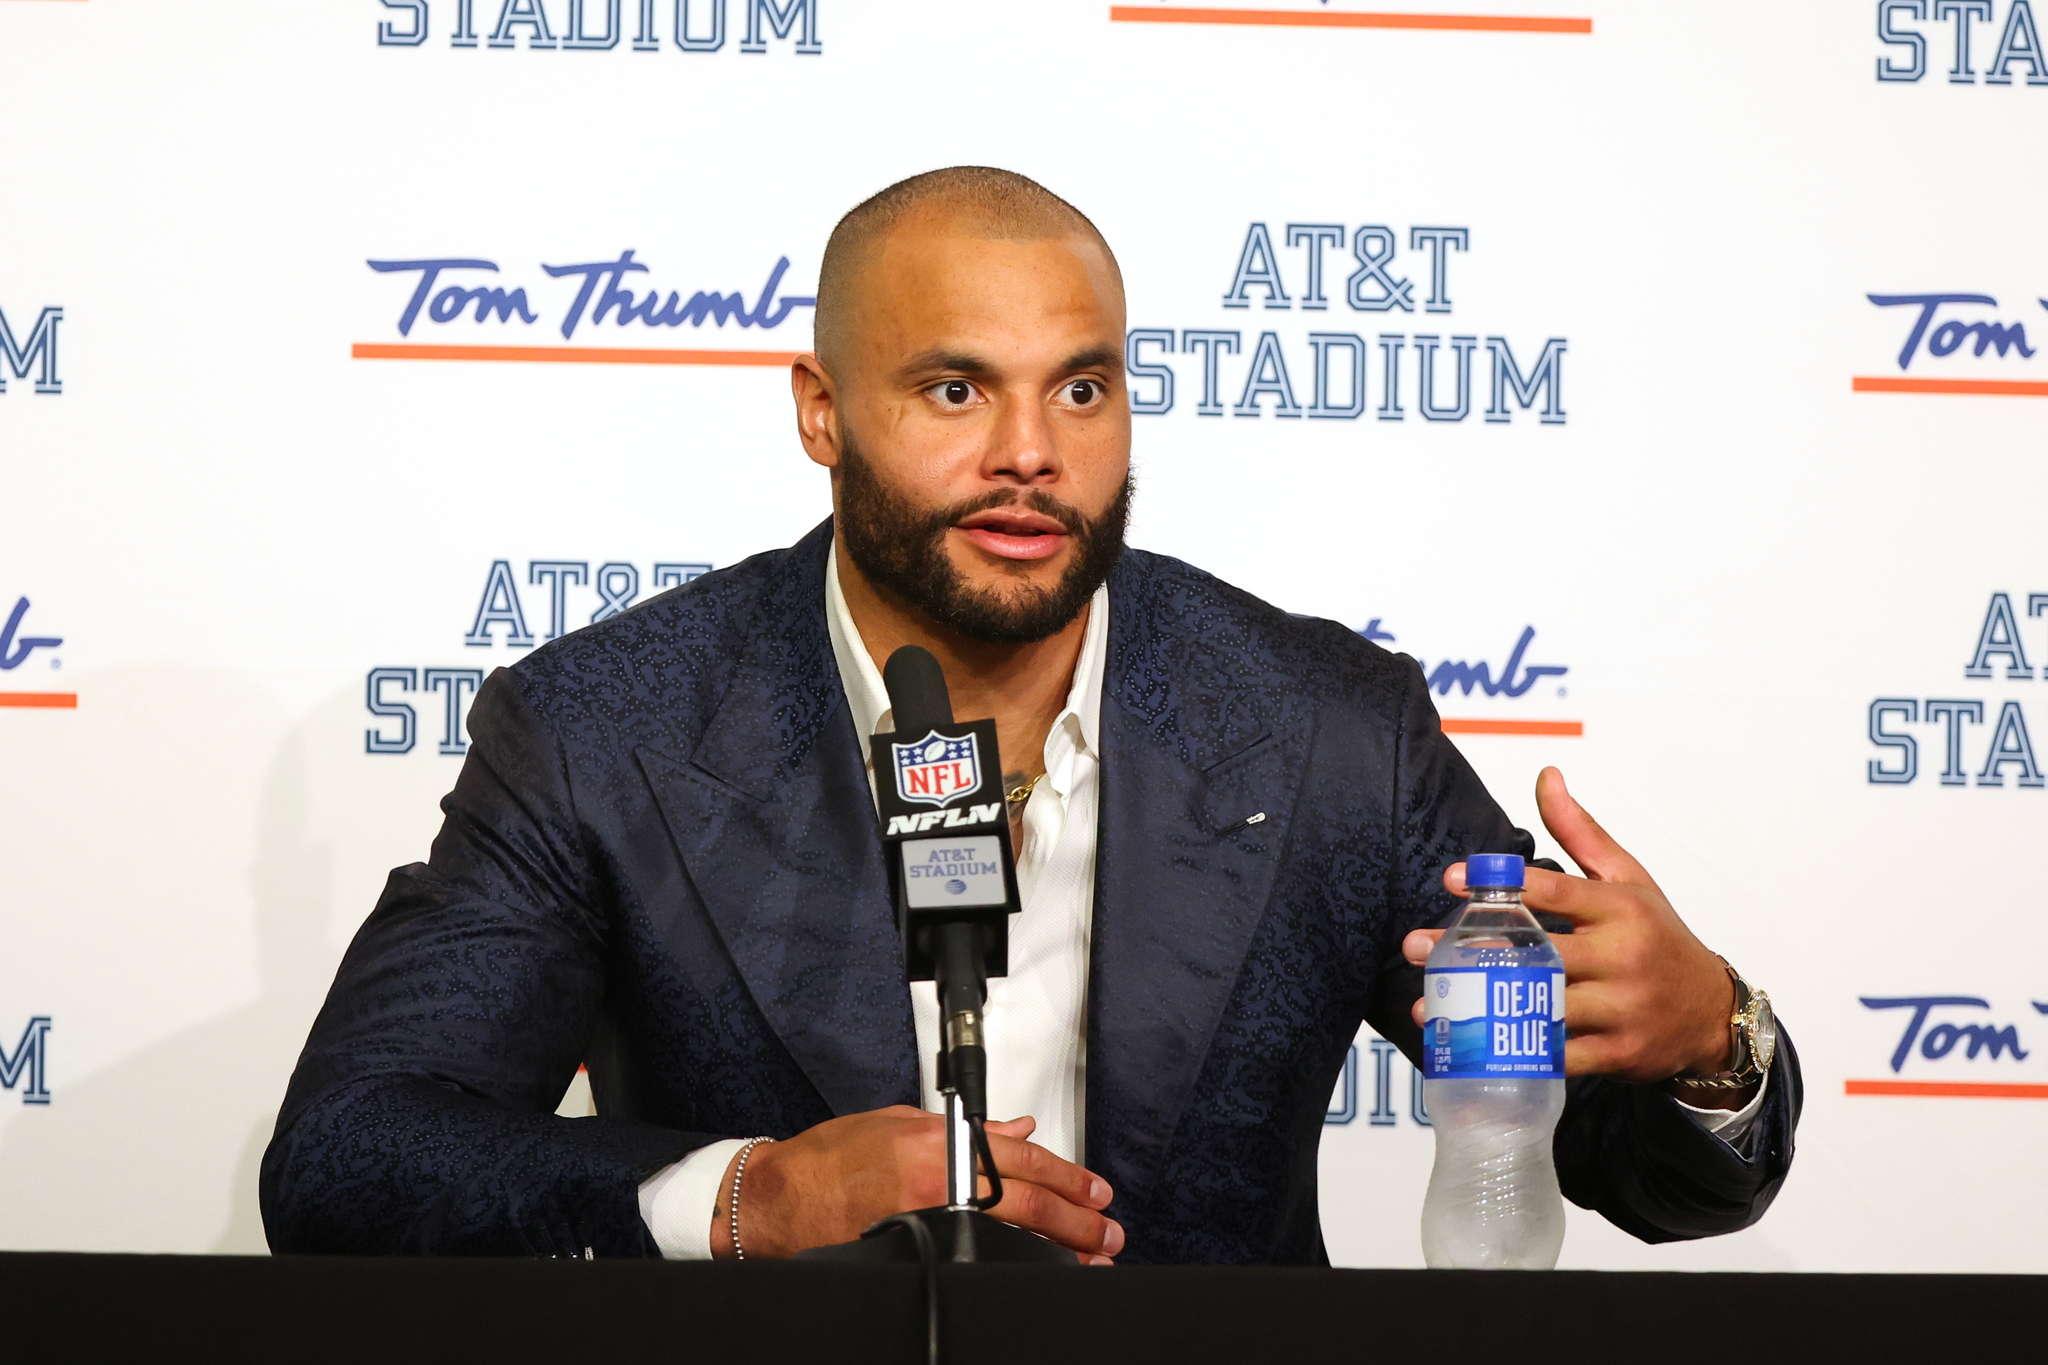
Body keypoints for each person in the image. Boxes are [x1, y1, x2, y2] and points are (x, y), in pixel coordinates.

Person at [262, 167, 1799, 1264]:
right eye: (952, 392)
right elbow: (350, 1154)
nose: (1029, 454)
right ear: (819, 409)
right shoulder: (604, 729)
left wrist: (1706, 1042)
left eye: (1082, 390)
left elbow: (1634, 1170)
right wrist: (748, 1197)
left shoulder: (1326, 726)